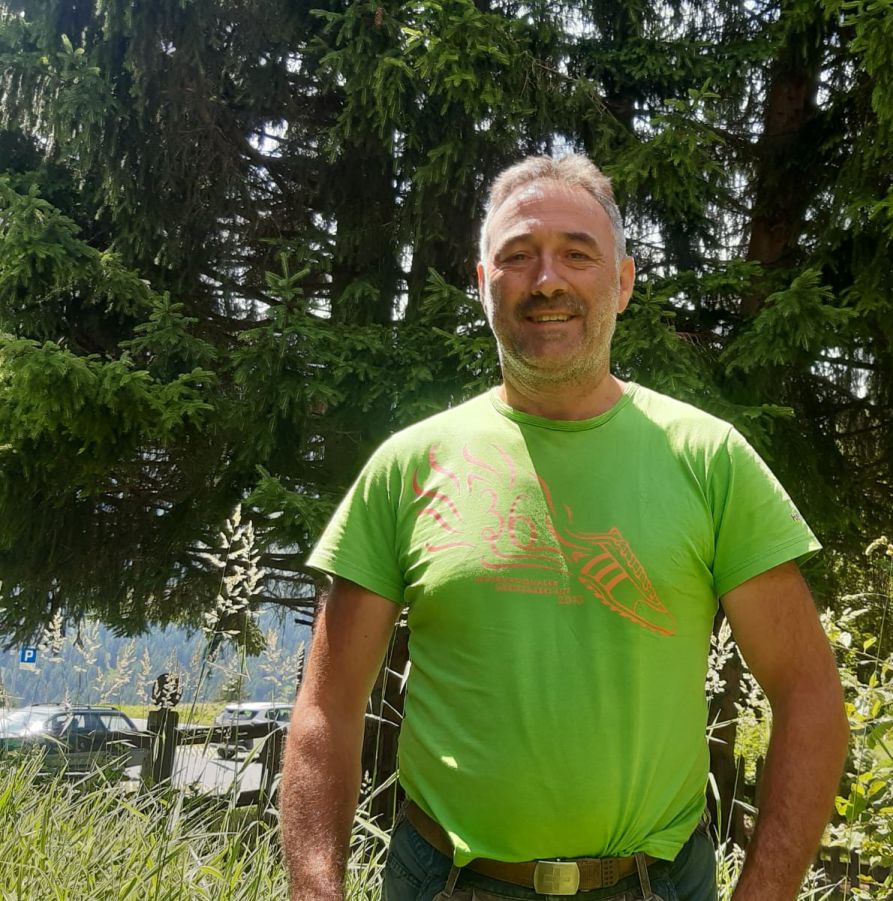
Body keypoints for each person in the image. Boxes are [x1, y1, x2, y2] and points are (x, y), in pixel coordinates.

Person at [280, 154, 849, 901]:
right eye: (517, 255)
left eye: (577, 254)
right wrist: (314, 890)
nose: (546, 280)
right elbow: (327, 707)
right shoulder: (407, 467)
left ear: (623, 282)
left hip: (655, 885)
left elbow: (809, 696)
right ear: (483, 283)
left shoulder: (711, 460)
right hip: (444, 883)